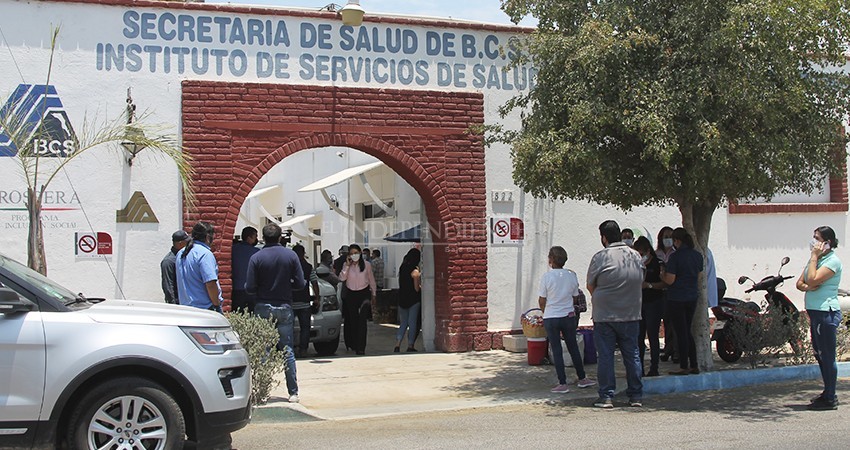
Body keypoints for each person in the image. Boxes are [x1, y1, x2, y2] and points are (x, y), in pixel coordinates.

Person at [586, 220, 644, 408]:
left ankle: (606, 396)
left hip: (605, 316)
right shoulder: (635, 255)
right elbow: (640, 279)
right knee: (632, 354)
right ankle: (635, 395)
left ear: (603, 237)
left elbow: (590, 285)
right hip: (631, 314)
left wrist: (603, 299)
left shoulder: (600, 257)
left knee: (605, 356)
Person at [246, 223, 305, 403]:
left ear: (263, 238)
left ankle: (263, 391)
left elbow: (249, 287)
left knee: (264, 350)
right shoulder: (291, 255)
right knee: (287, 349)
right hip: (285, 306)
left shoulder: (256, 257)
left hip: (263, 305)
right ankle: (293, 392)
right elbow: (301, 283)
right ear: (280, 237)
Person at [796, 225, 842, 410]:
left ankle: (830, 397)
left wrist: (814, 258)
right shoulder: (815, 260)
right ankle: (827, 392)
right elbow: (801, 283)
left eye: (817, 238)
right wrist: (807, 287)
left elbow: (813, 279)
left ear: (827, 243)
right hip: (814, 311)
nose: (814, 242)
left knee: (827, 355)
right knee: (819, 354)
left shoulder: (832, 261)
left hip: (826, 312)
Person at [539, 246, 595, 393]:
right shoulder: (571, 275)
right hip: (568, 316)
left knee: (556, 349)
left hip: (551, 317)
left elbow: (542, 299)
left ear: (551, 260)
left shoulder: (546, 277)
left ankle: (562, 382)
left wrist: (546, 311)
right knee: (573, 347)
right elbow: (575, 296)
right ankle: (582, 378)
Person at [661, 227, 703, 376]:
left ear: (677, 241)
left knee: (681, 332)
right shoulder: (697, 256)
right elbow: (698, 277)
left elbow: (670, 280)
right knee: (687, 330)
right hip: (691, 297)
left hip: (677, 298)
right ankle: (694, 364)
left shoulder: (675, 257)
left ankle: (684, 365)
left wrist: (662, 275)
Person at [634, 236, 665, 377]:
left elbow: (664, 284)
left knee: (653, 336)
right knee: (639, 337)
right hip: (639, 304)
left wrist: (649, 285)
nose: (640, 256)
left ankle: (654, 367)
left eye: (641, 253)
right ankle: (638, 368)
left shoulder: (658, 264)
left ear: (648, 251)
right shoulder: (635, 264)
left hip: (654, 303)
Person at [176, 222, 224, 312]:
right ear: (207, 237)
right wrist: (216, 304)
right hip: (205, 309)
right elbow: (210, 284)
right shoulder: (205, 254)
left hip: (185, 308)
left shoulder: (181, 253)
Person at [339, 244, 377, 355]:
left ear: (360, 253)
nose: (354, 255)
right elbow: (342, 278)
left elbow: (371, 280)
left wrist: (374, 295)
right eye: (351, 253)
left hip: (364, 293)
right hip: (351, 294)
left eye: (356, 253)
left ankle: (361, 347)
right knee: (353, 320)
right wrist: (346, 265)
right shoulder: (347, 266)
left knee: (362, 320)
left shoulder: (367, 265)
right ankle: (354, 344)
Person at [292, 243, 320, 358]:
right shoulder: (308, 267)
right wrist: (317, 297)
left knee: (289, 327)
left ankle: (291, 349)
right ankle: (303, 349)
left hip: (290, 302)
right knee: (305, 328)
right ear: (303, 254)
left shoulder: (289, 266)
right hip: (304, 301)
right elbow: (314, 283)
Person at [395, 248, 422, 353]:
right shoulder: (415, 271)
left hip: (402, 298)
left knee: (403, 323)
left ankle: (397, 344)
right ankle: (410, 345)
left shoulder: (402, 268)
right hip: (413, 300)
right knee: (412, 323)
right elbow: (416, 288)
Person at [231, 226, 260, 312]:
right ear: (249, 238)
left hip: (236, 288)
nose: (256, 239)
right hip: (252, 289)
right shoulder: (256, 252)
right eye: (255, 237)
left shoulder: (233, 249)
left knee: (238, 313)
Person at [161, 230, 190, 304]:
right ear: (180, 244)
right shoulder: (168, 261)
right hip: (178, 303)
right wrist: (174, 305)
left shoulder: (184, 256)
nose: (189, 244)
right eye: (187, 242)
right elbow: (168, 286)